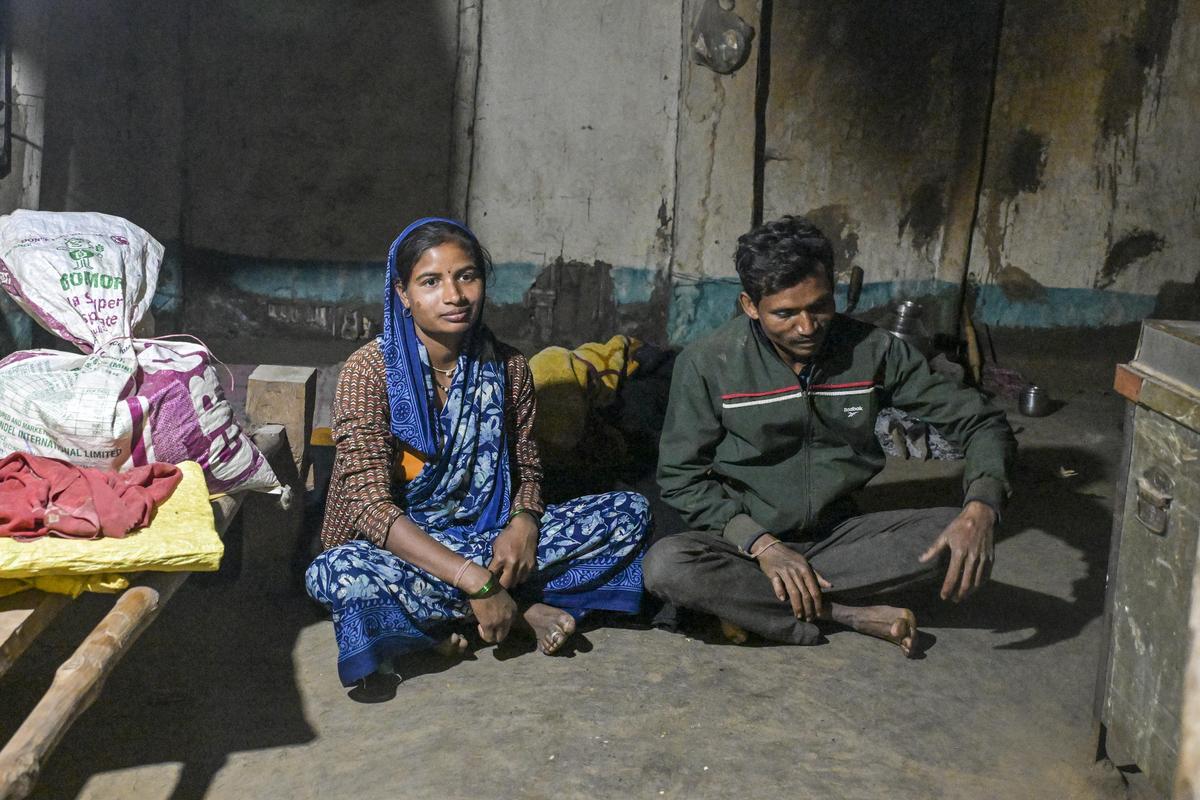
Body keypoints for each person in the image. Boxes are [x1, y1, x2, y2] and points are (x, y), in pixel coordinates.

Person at [644, 216, 1015, 657]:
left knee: (953, 540)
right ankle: (845, 613)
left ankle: (764, 601)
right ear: (749, 305)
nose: (807, 327)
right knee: (667, 565)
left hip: (840, 534)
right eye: (785, 313)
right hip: (744, 540)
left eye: (819, 306)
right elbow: (680, 476)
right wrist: (762, 545)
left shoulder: (875, 351)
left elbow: (981, 421)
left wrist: (981, 507)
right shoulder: (708, 363)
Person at [306, 218, 650, 689]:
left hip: (484, 539)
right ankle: (513, 605)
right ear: (403, 294)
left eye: (466, 276)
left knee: (628, 513)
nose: (455, 295)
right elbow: (369, 508)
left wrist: (524, 523)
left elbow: (526, 466)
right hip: (400, 550)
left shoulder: (508, 368)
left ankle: (445, 625)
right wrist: (477, 582)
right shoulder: (370, 372)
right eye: (431, 281)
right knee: (339, 572)